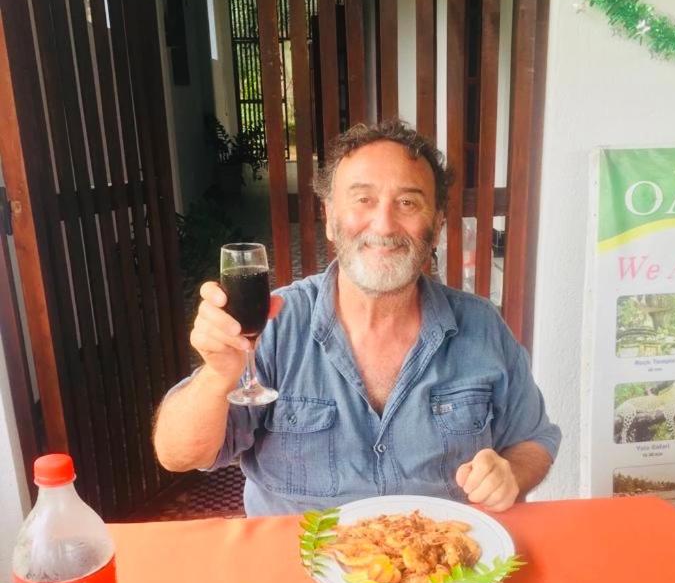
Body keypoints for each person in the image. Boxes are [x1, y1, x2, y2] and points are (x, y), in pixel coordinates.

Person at [153, 119, 560, 515]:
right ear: (330, 218)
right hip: (300, 558)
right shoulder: (276, 325)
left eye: (408, 202)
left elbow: (533, 439)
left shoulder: (482, 326)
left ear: (436, 225)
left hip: (439, 556)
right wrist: (217, 376)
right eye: (363, 199)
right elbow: (177, 454)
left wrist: (510, 473)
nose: (383, 225)